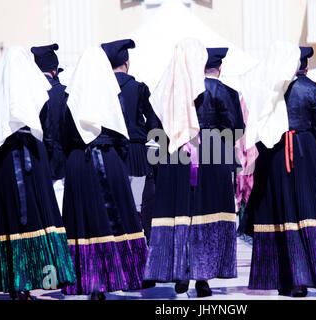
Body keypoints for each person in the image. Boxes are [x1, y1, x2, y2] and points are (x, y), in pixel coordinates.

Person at [143, 40, 241, 298]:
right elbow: (235, 127)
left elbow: (153, 130)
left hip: (174, 158)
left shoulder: (165, 91)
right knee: (207, 215)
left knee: (180, 215)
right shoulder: (222, 91)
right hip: (213, 156)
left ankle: (180, 274)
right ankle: (203, 277)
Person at [244, 44, 316, 297]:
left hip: (274, 153)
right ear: (304, 66)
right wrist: (310, 147)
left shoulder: (270, 90)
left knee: (279, 210)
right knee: (307, 208)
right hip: (304, 151)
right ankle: (310, 274)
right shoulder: (314, 91)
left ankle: (282, 276)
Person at [0, 46, 76, 300]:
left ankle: (16, 285)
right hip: (34, 162)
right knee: (41, 220)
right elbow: (48, 130)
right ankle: (47, 277)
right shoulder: (38, 95)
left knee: (11, 223)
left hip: (5, 168)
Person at [60, 46, 148, 300]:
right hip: (109, 159)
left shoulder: (71, 99)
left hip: (79, 162)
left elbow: (63, 135)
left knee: (84, 221)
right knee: (117, 217)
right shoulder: (112, 95)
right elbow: (123, 134)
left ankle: (90, 280)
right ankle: (118, 275)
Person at [101, 39, 159, 243]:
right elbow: (154, 124)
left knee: (114, 203)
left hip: (109, 152)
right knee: (137, 206)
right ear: (126, 64)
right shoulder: (138, 87)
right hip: (136, 153)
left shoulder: (101, 88)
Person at [31, 44, 68, 214]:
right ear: (54, 70)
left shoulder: (26, 91)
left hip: (33, 158)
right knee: (58, 205)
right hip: (59, 160)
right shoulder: (61, 92)